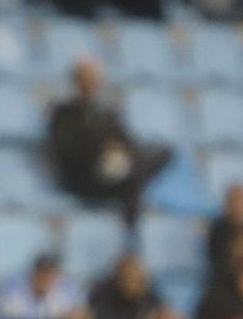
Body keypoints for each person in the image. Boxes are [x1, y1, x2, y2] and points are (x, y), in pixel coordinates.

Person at [45, 58, 172, 213]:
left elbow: (126, 139)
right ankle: (131, 222)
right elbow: (68, 147)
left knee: (158, 153)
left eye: (95, 78)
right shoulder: (63, 112)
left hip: (115, 169)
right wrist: (103, 151)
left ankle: (130, 205)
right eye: (88, 77)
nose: (93, 82)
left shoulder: (108, 111)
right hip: (84, 175)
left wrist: (120, 153)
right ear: (76, 80)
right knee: (132, 179)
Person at [88, 253, 180, 319]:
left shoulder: (149, 296)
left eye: (136, 277)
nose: (131, 281)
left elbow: (161, 317)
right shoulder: (102, 294)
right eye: (127, 277)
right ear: (118, 278)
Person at [0, 253, 86, 319]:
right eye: (41, 273)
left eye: (49, 273)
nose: (45, 278)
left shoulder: (67, 290)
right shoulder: (15, 289)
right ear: (33, 273)